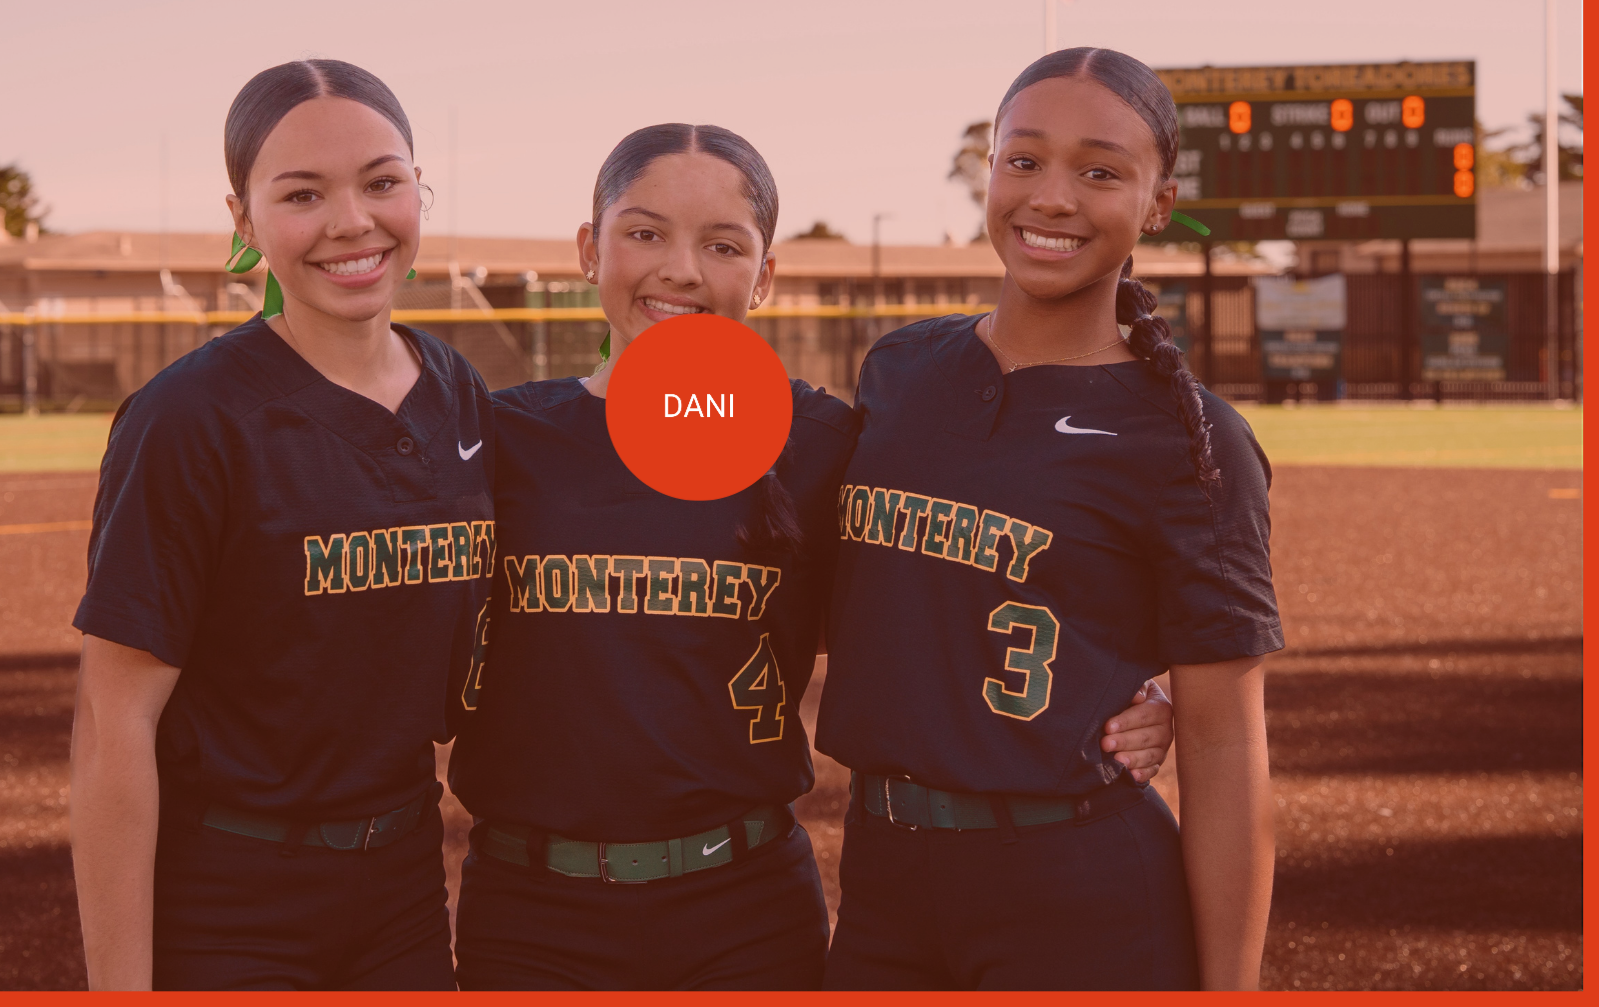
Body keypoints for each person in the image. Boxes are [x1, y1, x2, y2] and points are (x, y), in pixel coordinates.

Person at [445, 122, 1176, 990]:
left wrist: (1137, 696)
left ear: (764, 276)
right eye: (644, 233)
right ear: (588, 250)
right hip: (531, 914)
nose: (682, 269)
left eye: (723, 245)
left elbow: (942, 588)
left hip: (744, 910)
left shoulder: (819, 442)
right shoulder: (501, 439)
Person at [817, 48, 1282, 991]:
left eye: (1100, 172)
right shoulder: (900, 369)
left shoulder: (1189, 437)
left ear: (1158, 203)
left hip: (1077, 888)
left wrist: (1230, 991)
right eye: (1023, 160)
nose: (1052, 197)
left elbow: (1225, 743)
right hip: (881, 879)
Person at [67, 59, 493, 991]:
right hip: (233, 899)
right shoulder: (189, 418)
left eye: (381, 182)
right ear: (243, 221)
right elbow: (112, 725)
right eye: (303, 194)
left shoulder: (456, 389)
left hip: (403, 887)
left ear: (417, 189)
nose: (352, 221)